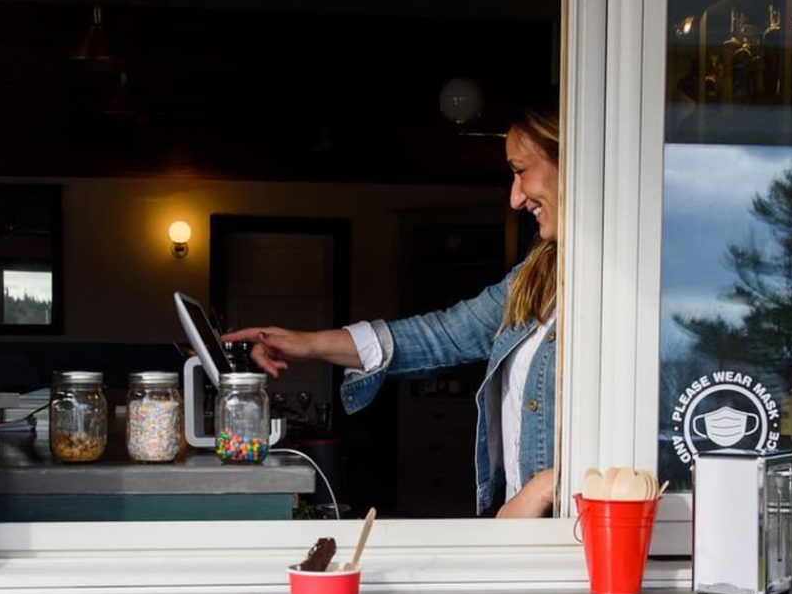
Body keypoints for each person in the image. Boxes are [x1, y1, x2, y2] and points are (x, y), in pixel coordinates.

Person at [223, 107, 560, 518]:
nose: (515, 198)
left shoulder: (618, 287)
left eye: (521, 170)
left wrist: (545, 486)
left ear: (571, 162)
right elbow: (442, 335)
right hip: (525, 525)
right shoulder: (537, 275)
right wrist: (307, 344)